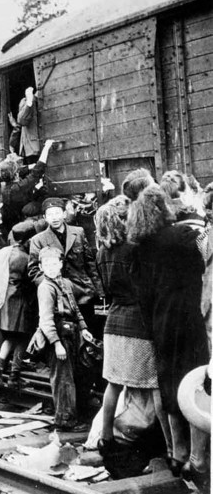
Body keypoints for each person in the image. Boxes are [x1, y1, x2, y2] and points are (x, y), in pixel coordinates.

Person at [127, 184, 210, 480]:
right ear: (164, 207)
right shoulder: (184, 236)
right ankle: (199, 459)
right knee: (196, 385)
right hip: (192, 319)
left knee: (169, 385)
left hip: (161, 323)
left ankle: (178, 454)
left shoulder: (139, 247)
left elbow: (142, 295)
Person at [94, 197, 171, 458]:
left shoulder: (101, 252)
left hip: (113, 322)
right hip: (139, 323)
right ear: (124, 219)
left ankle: (106, 438)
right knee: (155, 385)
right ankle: (171, 445)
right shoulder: (135, 248)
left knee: (114, 384)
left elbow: (104, 289)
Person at [28, 197, 104, 337]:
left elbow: (90, 263)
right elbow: (33, 271)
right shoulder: (38, 240)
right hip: (59, 298)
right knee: (67, 337)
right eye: (50, 214)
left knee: (90, 333)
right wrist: (52, 287)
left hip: (83, 293)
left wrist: (99, 290)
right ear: (45, 217)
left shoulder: (78, 232)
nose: (54, 218)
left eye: (57, 213)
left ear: (64, 214)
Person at [37, 246, 93, 431]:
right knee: (63, 379)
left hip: (72, 334)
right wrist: (56, 344)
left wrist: (83, 328)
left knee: (74, 376)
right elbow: (46, 320)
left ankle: (71, 414)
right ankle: (64, 420)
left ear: (61, 264)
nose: (51, 268)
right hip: (59, 336)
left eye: (55, 263)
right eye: (47, 264)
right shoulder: (45, 288)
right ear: (41, 267)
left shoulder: (65, 284)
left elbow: (75, 309)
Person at [0, 221, 38, 390]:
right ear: (28, 239)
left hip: (6, 299)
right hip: (20, 300)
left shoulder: (8, 252)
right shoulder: (25, 257)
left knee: (10, 336)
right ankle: (14, 376)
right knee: (23, 337)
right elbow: (31, 280)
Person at [1, 139, 54, 230]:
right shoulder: (18, 187)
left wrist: (30, 166)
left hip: (12, 223)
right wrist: (47, 147)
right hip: (22, 222)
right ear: (16, 174)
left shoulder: (6, 187)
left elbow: (20, 171)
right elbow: (37, 172)